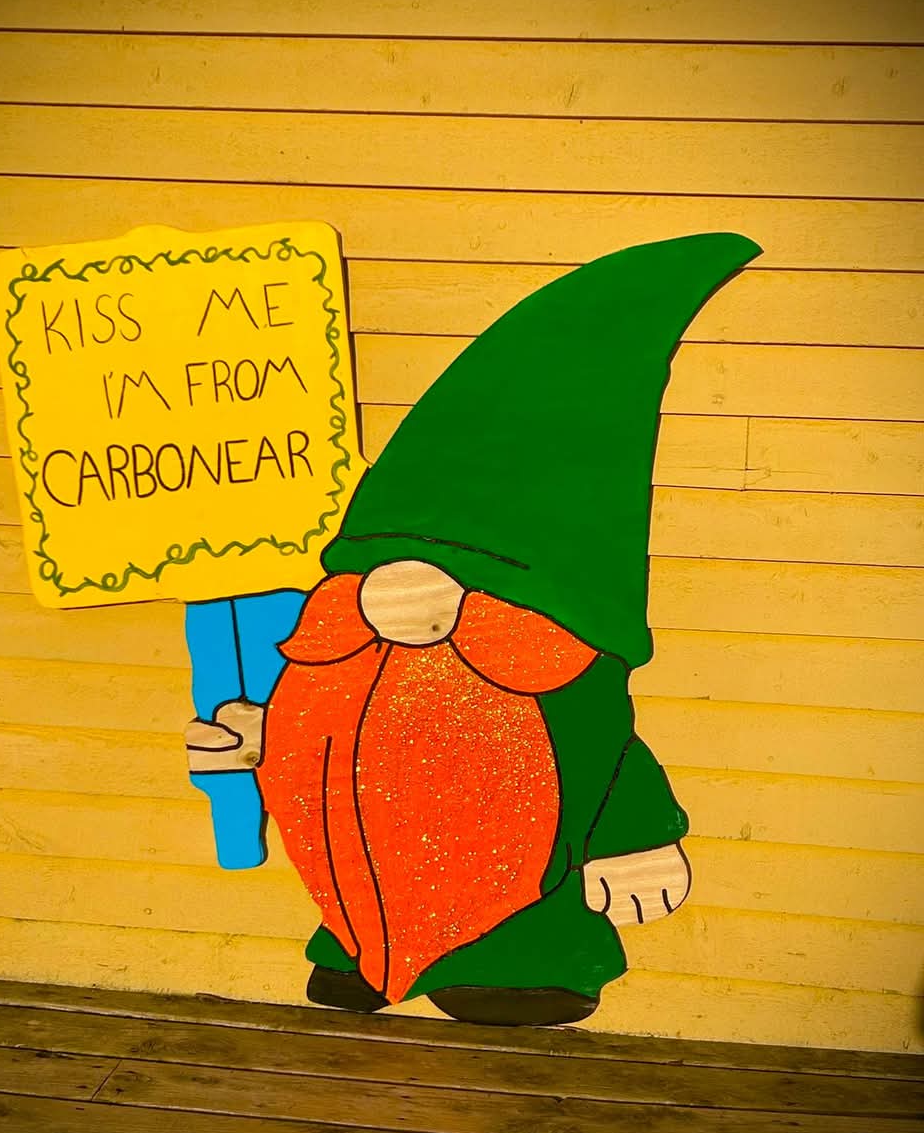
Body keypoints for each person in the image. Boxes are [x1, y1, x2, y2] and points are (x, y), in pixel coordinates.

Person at [188, 232, 761, 1025]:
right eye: (384, 562)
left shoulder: (557, 669)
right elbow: (318, 731)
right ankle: (363, 949)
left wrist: (634, 840)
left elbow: (604, 757)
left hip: (516, 916)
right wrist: (258, 737)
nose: (396, 587)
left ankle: (514, 963)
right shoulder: (342, 651)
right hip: (357, 898)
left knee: (515, 931)